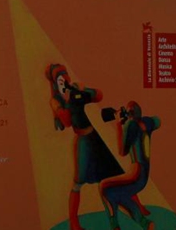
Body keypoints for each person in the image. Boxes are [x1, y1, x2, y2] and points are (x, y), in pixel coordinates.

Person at [46, 64, 125, 230]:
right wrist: (65, 104)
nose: (64, 82)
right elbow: (67, 122)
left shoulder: (77, 92)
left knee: (116, 174)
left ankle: (133, 212)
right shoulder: (56, 100)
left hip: (97, 138)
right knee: (78, 183)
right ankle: (74, 223)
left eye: (66, 78)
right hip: (84, 142)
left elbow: (99, 95)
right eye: (60, 80)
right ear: (55, 83)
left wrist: (84, 90)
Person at [100, 101, 161, 230]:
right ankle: (145, 223)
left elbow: (122, 152)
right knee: (117, 194)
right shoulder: (147, 123)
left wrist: (118, 124)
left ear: (129, 114)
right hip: (144, 175)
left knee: (104, 187)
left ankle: (115, 226)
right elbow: (158, 121)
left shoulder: (130, 125)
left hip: (136, 173)